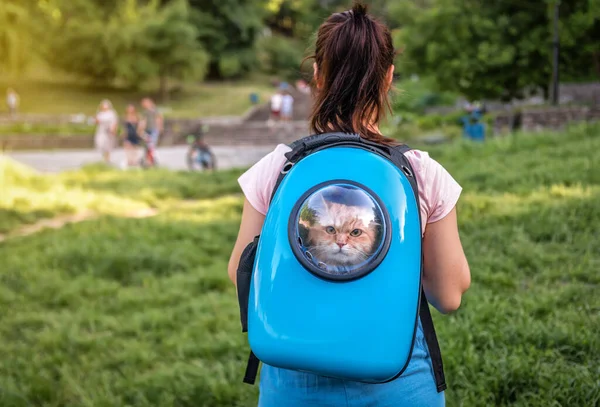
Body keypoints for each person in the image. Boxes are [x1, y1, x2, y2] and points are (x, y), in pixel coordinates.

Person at [228, 3, 470, 406]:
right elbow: (448, 296)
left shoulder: (276, 168)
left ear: (317, 75)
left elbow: (242, 272)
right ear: (389, 77)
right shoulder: (421, 173)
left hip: (293, 381)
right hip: (398, 383)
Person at [94, 99, 118, 163]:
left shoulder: (112, 113)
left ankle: (107, 159)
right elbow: (97, 122)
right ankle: (104, 157)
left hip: (109, 131)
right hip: (101, 131)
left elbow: (114, 122)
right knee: (100, 144)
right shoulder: (100, 113)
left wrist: (113, 130)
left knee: (108, 146)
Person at [122, 104, 141, 168]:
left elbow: (140, 125)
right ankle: (129, 160)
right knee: (127, 147)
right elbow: (125, 127)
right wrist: (123, 133)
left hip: (135, 133)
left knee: (134, 147)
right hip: (128, 134)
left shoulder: (137, 116)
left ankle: (135, 160)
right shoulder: (126, 117)